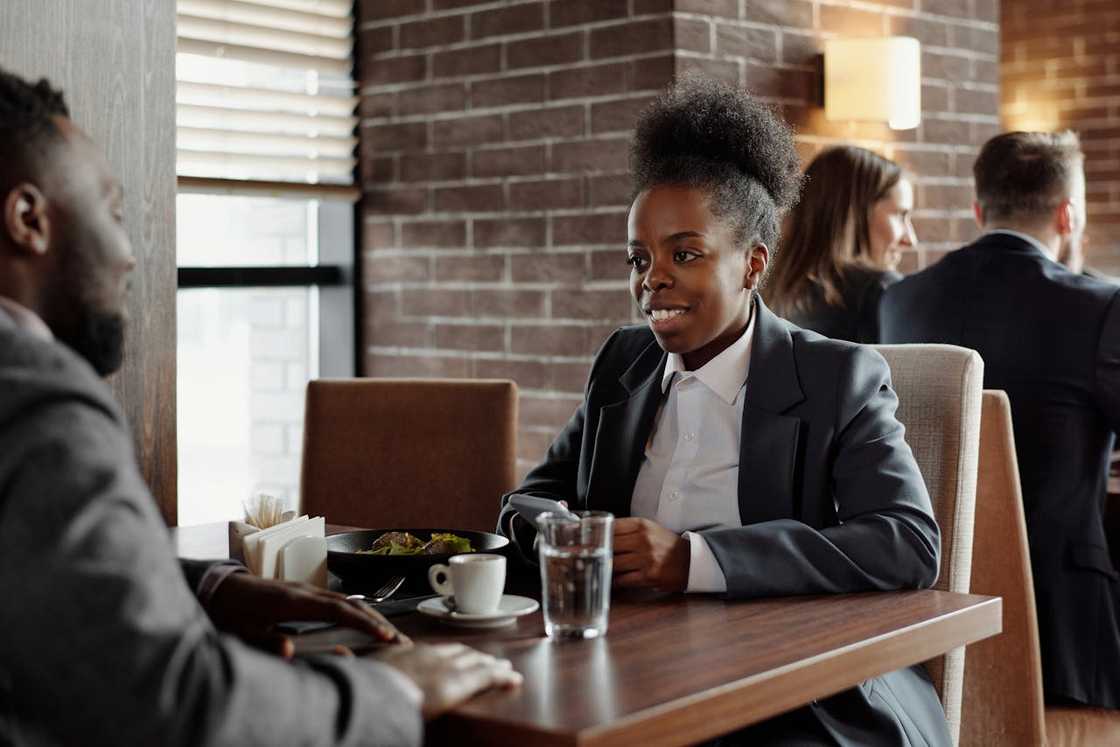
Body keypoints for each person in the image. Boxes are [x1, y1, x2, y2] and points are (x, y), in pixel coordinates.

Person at [0, 67, 519, 746]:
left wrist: (212, 587)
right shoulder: (40, 403)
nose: (130, 255)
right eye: (115, 210)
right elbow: (179, 705)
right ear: (28, 219)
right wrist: (394, 687)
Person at [497, 76, 950, 745]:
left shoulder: (837, 376)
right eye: (640, 257)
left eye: (684, 253)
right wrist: (568, 533)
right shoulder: (622, 365)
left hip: (799, 695)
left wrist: (693, 558)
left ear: (752, 264)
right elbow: (532, 496)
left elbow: (907, 541)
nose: (652, 278)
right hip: (624, 671)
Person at [880, 130, 1120, 709]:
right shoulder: (1100, 305)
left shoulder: (900, 301)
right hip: (1061, 634)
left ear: (979, 209)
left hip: (930, 618)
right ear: (1068, 215)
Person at [765, 145, 916, 343]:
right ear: (854, 214)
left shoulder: (762, 290)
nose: (911, 240)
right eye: (900, 215)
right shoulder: (881, 290)